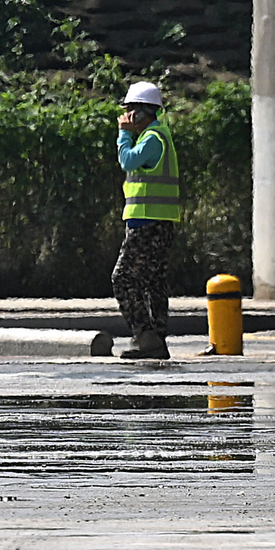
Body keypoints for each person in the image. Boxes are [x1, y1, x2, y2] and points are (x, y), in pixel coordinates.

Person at [109, 79, 182, 360]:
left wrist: (123, 134)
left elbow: (127, 160)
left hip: (147, 223)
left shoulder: (153, 138)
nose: (127, 117)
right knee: (152, 281)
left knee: (123, 279)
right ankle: (156, 339)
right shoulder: (157, 135)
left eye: (130, 111)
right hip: (158, 221)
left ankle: (145, 334)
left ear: (142, 112)